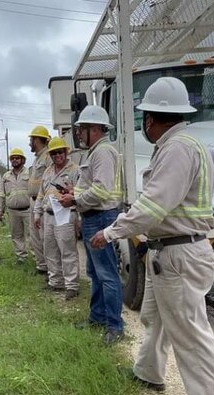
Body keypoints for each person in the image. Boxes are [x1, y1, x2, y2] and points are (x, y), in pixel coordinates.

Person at [90, 77, 214, 395]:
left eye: (144, 120)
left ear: (151, 119)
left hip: (179, 253)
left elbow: (151, 208)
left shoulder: (177, 149)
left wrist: (110, 232)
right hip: (168, 252)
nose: (144, 126)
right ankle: (148, 372)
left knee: (189, 333)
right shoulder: (184, 144)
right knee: (155, 318)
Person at [57, 105, 123, 345]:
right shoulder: (95, 152)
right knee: (95, 273)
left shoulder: (103, 152)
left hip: (101, 217)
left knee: (107, 274)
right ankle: (98, 318)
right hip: (93, 217)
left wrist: (75, 199)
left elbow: (102, 190)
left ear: (94, 129)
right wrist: (75, 192)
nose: (78, 134)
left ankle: (115, 326)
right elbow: (94, 187)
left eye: (82, 129)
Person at [33, 138, 80, 300]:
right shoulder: (47, 172)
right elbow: (40, 194)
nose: (57, 155)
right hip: (48, 215)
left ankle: (72, 285)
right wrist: (37, 213)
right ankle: (56, 281)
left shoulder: (75, 170)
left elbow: (81, 194)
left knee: (67, 250)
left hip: (66, 214)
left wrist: (78, 219)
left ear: (66, 152)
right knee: (50, 249)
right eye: (54, 153)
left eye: (60, 152)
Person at [27, 126, 51, 275]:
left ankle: (51, 268)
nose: (30, 143)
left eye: (31, 140)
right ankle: (42, 266)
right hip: (33, 201)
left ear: (37, 140)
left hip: (42, 202)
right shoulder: (37, 158)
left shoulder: (48, 157)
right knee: (35, 236)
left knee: (45, 237)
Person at [1, 148, 31, 265]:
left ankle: (36, 257)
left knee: (32, 235)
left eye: (17, 158)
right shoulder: (6, 176)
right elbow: (1, 193)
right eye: (12, 158)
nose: (15, 160)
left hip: (28, 210)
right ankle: (21, 257)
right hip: (12, 211)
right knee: (16, 235)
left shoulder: (29, 173)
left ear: (23, 160)